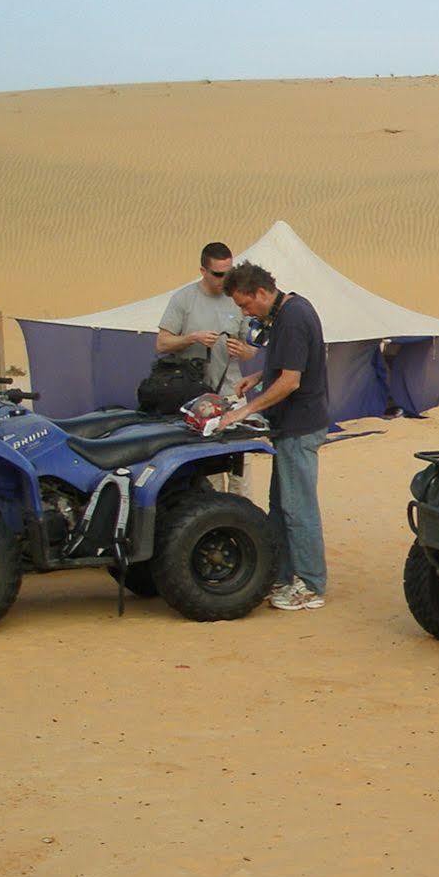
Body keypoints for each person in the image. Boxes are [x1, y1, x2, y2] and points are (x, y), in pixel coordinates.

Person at [217, 263, 330, 612]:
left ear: (262, 293)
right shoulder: (284, 314)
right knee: (281, 508)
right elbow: (284, 368)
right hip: (287, 427)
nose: (245, 312)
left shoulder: (294, 318)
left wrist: (244, 411)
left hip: (300, 428)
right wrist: (257, 377)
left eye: (245, 305)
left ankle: (310, 584)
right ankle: (282, 576)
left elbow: (291, 380)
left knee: (298, 508)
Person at [157, 241, 257, 395]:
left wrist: (242, 350)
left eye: (229, 273)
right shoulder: (184, 298)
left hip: (230, 392)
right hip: (190, 391)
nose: (224, 279)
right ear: (203, 271)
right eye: (218, 274)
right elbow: (162, 344)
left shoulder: (240, 299)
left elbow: (251, 349)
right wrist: (192, 338)